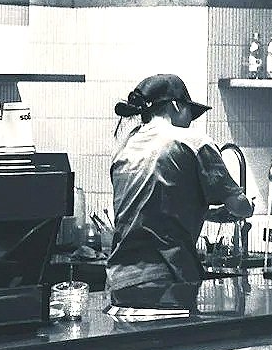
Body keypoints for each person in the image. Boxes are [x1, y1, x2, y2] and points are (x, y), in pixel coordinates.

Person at [106, 74, 252, 298]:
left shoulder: (126, 149)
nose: (190, 121)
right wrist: (246, 208)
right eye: (190, 113)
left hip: (118, 281)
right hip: (166, 277)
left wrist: (208, 214)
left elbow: (150, 209)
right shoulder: (192, 141)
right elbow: (239, 206)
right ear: (175, 105)